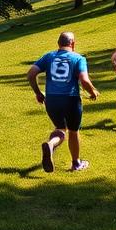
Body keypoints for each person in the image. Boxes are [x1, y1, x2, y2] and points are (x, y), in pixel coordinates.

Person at [27, 31, 99, 173]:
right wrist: (92, 92)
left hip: (51, 99)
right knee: (73, 131)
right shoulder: (78, 58)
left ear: (58, 44)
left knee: (60, 128)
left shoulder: (49, 56)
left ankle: (51, 144)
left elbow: (30, 74)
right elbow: (84, 80)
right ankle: (76, 164)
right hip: (70, 99)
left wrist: (38, 92)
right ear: (73, 43)